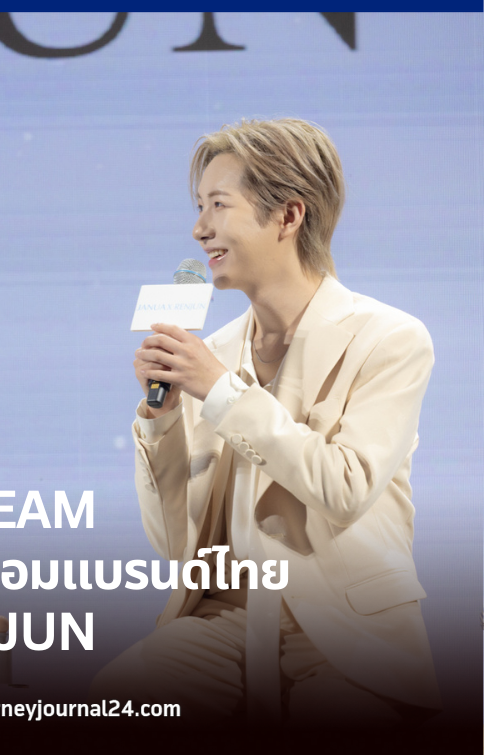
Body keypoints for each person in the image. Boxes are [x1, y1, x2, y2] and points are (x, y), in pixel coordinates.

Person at [91, 118, 440, 723]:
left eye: (218, 205)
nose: (199, 229)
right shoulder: (213, 354)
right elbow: (175, 544)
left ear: (288, 215)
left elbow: (345, 487)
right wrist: (161, 420)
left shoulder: (391, 339)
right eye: (199, 207)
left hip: (344, 630)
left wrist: (221, 392)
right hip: (227, 618)